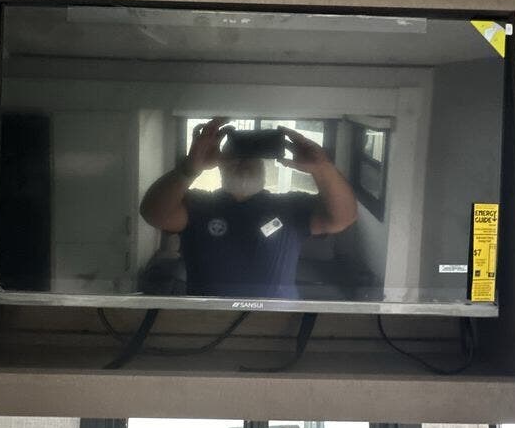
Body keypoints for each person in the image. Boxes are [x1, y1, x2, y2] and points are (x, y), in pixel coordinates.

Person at [139, 117, 358, 299]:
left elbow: (343, 218)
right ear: (219, 163)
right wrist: (190, 168)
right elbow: (153, 214)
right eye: (235, 154)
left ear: (264, 163)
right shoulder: (196, 204)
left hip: (279, 322)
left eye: (251, 155)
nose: (243, 161)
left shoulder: (290, 206)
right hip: (207, 320)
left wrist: (322, 169)